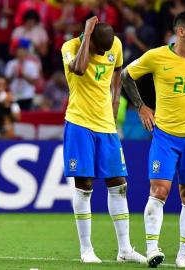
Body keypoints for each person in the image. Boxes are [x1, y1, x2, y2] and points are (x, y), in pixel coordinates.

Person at [122, 11, 185, 268]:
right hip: (165, 137)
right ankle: (152, 248)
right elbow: (126, 75)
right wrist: (142, 107)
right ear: (181, 32)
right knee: (159, 191)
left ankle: (183, 256)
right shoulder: (156, 56)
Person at [61, 16, 146, 264]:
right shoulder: (70, 47)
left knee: (119, 183)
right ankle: (86, 249)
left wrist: (116, 97)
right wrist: (86, 36)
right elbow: (77, 68)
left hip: (106, 125)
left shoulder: (115, 45)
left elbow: (118, 69)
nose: (103, 53)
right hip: (79, 123)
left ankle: (125, 249)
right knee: (84, 185)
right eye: (99, 49)